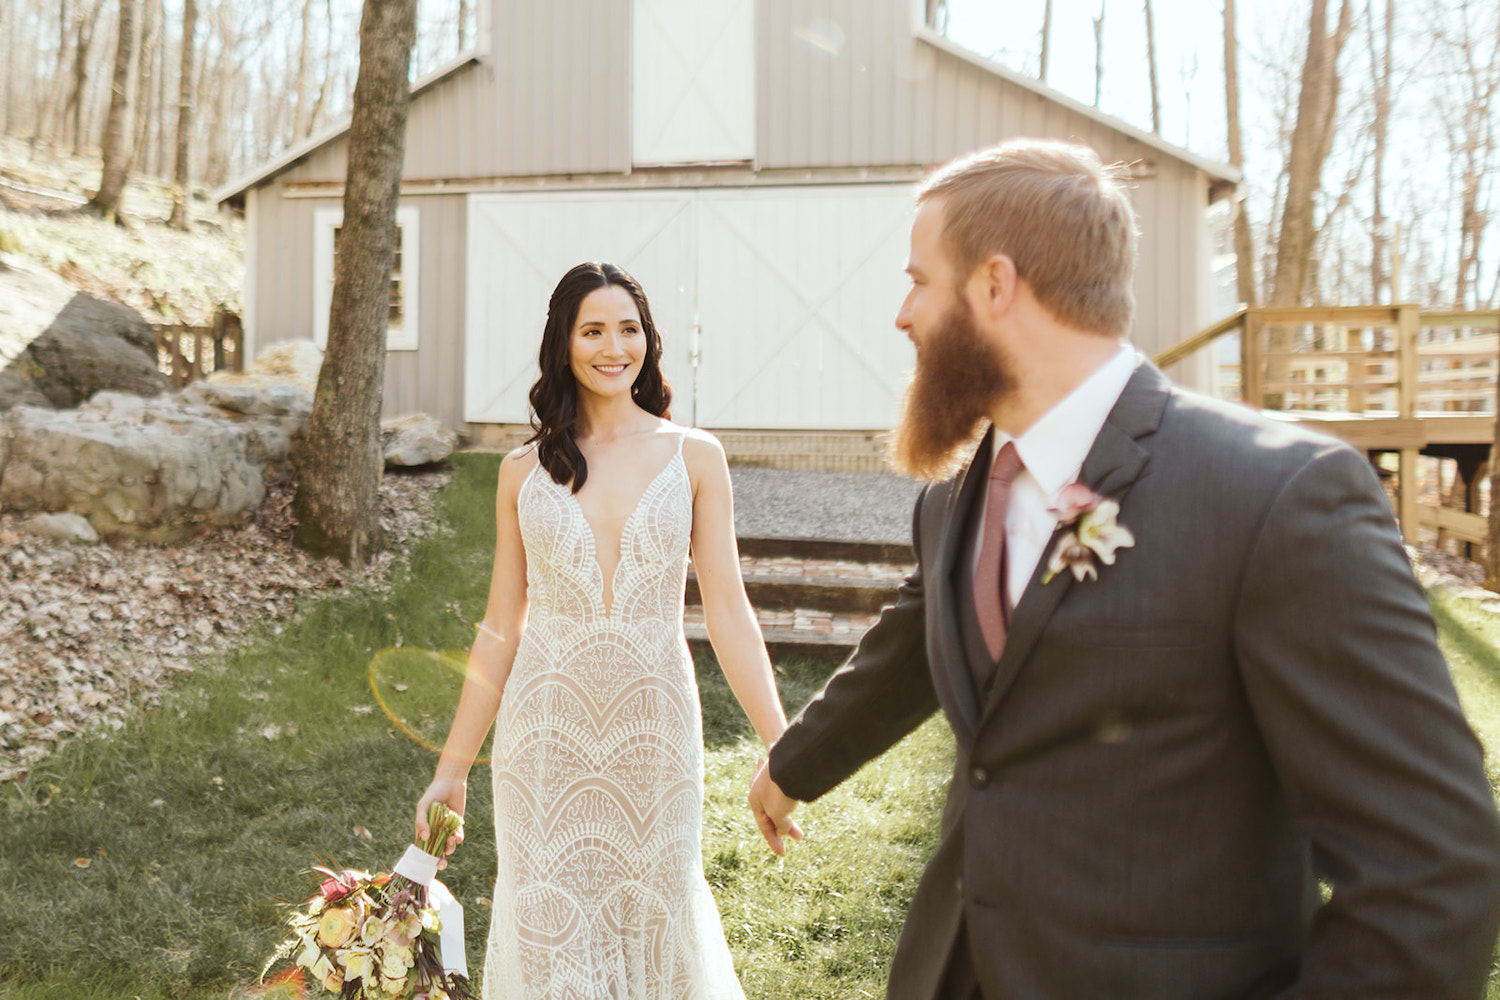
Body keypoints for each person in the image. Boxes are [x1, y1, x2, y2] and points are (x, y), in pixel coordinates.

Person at [748, 139, 1500, 999]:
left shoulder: (1278, 497)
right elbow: (917, 641)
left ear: (995, 287)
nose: (902, 315)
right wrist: (793, 764)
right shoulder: (955, 497)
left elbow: (1433, 872)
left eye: (919, 281)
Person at [416, 261, 787, 1000]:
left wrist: (785, 744)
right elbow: (499, 626)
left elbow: (729, 611)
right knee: (550, 930)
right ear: (564, 343)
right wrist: (452, 770)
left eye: (629, 329)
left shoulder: (695, 457)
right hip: (544, 740)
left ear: (648, 340)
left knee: (660, 914)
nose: (614, 346)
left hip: (655, 733)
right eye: (593, 330)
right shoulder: (522, 471)